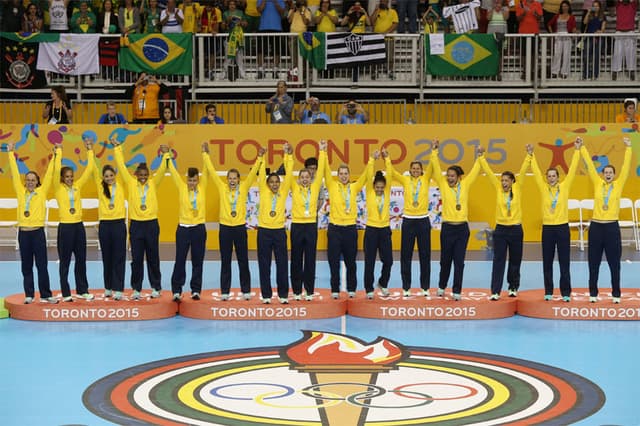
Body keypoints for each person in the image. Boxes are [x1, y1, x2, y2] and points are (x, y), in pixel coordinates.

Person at [204, 144, 263, 301]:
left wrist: (259, 158)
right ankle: (225, 291)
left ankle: (246, 291)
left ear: (238, 180)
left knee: (243, 260)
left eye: (234, 178)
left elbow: (252, 174)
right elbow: (211, 171)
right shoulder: (222, 188)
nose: (232, 181)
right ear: (226, 180)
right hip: (225, 229)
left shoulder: (243, 188)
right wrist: (205, 155)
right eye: (229, 178)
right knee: (225, 260)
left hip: (239, 229)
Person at [112, 139, 169, 300]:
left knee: (153, 257)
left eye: (145, 175)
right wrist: (117, 148)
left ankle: (156, 287)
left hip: (151, 224)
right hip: (136, 225)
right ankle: (136, 288)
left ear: (148, 176)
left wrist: (166, 154)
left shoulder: (153, 183)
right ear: (136, 175)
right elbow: (122, 167)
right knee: (136, 259)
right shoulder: (130, 183)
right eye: (140, 175)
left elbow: (163, 169)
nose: (143, 177)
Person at [580, 137, 633, 303]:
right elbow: (589, 164)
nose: (608, 175)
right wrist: (582, 148)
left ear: (614, 175)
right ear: (602, 174)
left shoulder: (618, 185)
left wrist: (629, 148)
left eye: (611, 173)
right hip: (596, 227)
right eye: (606, 172)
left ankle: (616, 294)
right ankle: (593, 294)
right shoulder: (597, 183)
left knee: (614, 263)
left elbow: (626, 167)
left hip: (611, 228)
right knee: (593, 262)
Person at [528, 139, 581, 302]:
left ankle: (566, 292)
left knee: (564, 261)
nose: (551, 178)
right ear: (546, 178)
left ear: (558, 177)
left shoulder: (564, 187)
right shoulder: (543, 188)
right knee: (547, 262)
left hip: (562, 228)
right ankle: (548, 291)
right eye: (549, 176)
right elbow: (536, 172)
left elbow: (572, 170)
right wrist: (531, 155)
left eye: (553, 176)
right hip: (548, 230)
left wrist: (577, 150)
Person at [5, 142, 57, 305]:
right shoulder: (20, 191)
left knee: (42, 266)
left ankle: (46, 294)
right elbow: (14, 170)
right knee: (26, 266)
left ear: (37, 182)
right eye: (27, 180)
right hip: (24, 234)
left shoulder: (41, 192)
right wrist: (11, 153)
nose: (30, 182)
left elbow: (49, 173)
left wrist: (55, 155)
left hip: (38, 233)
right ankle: (29, 294)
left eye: (33, 180)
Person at [431, 140, 482, 300]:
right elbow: (436, 168)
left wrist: (480, 156)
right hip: (447, 229)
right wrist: (434, 151)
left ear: (459, 177)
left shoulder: (465, 184)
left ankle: (457, 290)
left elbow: (475, 170)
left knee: (459, 261)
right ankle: (441, 286)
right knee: (445, 260)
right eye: (448, 175)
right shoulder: (443, 185)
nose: (449, 178)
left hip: (462, 229)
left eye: (452, 176)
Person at [478, 146, 530, 300]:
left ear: (513, 181)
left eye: (507, 180)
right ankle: (495, 291)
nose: (504, 182)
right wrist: (481, 157)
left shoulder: (518, 188)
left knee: (515, 260)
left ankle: (513, 287)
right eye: (502, 180)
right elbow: (488, 172)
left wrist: (529, 155)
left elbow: (524, 168)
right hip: (500, 230)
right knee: (498, 260)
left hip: (515, 230)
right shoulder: (498, 188)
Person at [324, 150, 375, 298]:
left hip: (350, 230)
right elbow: (326, 172)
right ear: (337, 175)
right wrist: (323, 152)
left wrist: (371, 159)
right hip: (334, 229)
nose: (344, 176)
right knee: (334, 262)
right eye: (341, 173)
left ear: (349, 175)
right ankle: (335, 289)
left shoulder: (354, 187)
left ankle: (352, 289)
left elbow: (366, 176)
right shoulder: (332, 186)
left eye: (346, 173)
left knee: (351, 261)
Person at [387, 152, 433, 297]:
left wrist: (434, 151)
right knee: (405, 255)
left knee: (425, 255)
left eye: (418, 168)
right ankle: (406, 287)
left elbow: (432, 166)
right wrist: (387, 158)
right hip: (408, 220)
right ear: (410, 170)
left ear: (421, 170)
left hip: (423, 220)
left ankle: (425, 287)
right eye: (413, 168)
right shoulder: (405, 180)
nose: (415, 171)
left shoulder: (425, 179)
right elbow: (392, 173)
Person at [166, 144, 207, 301]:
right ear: (186, 180)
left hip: (198, 229)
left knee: (198, 260)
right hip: (183, 229)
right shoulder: (182, 187)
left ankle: (196, 290)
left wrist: (204, 154)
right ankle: (177, 290)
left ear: (198, 180)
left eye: (195, 180)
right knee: (180, 259)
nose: (192, 183)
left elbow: (207, 169)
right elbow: (173, 171)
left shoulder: (203, 188)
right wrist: (167, 155)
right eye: (190, 180)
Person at [290, 141, 327, 301]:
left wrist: (323, 151)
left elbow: (321, 171)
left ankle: (310, 290)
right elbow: (289, 168)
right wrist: (289, 155)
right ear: (299, 179)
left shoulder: (316, 184)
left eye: (308, 176)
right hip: (297, 226)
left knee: (310, 258)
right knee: (296, 258)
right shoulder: (295, 186)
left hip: (311, 225)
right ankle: (297, 291)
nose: (306, 178)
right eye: (303, 177)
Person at [257, 144, 293, 304]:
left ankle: (283, 295)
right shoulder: (263, 190)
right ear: (267, 184)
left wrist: (288, 156)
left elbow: (290, 174)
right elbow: (260, 174)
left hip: (279, 232)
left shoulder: (283, 192)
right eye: (271, 182)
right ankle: (266, 295)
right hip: (264, 232)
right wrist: (261, 157)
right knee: (264, 265)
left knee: (282, 264)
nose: (274, 184)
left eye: (276, 182)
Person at [92, 149, 127, 300]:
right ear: (103, 178)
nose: (109, 178)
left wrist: (118, 149)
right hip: (105, 226)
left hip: (119, 225)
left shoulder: (121, 186)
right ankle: (108, 287)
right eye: (106, 176)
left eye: (111, 175)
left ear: (115, 175)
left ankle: (118, 288)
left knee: (119, 257)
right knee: (107, 257)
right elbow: (93, 168)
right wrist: (89, 151)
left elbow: (122, 165)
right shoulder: (100, 188)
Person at [363, 152, 394, 299]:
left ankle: (383, 283)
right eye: (378, 187)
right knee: (369, 260)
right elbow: (369, 175)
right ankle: (369, 288)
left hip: (385, 230)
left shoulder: (387, 192)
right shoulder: (369, 192)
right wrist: (372, 159)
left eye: (382, 187)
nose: (380, 189)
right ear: (373, 186)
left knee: (388, 260)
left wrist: (387, 158)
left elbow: (390, 172)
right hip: (371, 230)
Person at [256, 0, 286, 79]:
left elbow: (282, 12)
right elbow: (259, 10)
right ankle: (260, 70)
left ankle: (275, 70)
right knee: (261, 50)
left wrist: (275, 2)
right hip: (263, 27)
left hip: (277, 27)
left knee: (277, 50)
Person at [547, 1, 576, 79]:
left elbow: (573, 27)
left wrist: (574, 32)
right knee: (557, 54)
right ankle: (554, 72)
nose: (564, 7)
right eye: (563, 6)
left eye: (566, 6)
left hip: (567, 36)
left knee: (566, 54)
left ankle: (564, 72)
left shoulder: (572, 17)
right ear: (561, 7)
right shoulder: (557, 16)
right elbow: (549, 24)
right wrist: (552, 33)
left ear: (569, 7)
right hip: (558, 35)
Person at [611, 0, 638, 81]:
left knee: (631, 53)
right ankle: (615, 71)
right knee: (617, 53)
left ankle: (631, 70)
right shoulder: (618, 4)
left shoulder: (633, 4)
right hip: (619, 31)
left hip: (630, 31)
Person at [581, 0, 606, 80]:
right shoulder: (590, 15)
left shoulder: (602, 16)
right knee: (585, 56)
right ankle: (586, 74)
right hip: (589, 38)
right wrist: (588, 12)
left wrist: (600, 31)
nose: (595, 7)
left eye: (597, 6)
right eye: (594, 6)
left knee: (596, 57)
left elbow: (603, 29)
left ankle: (595, 75)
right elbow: (584, 22)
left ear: (599, 7)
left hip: (598, 39)